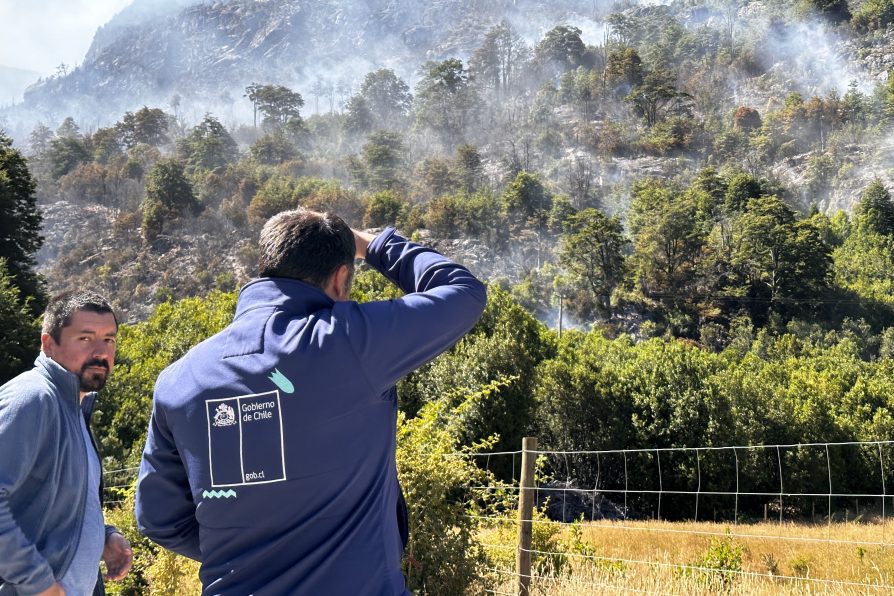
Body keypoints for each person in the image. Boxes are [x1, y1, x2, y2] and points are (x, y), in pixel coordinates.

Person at [135, 209, 487, 594]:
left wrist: (252, 554)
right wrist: (369, 245)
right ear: (339, 280)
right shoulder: (350, 342)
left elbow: (158, 519)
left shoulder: (177, 380)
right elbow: (462, 292)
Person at [0, 290, 133, 595]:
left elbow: (54, 505)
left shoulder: (75, 407)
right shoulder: (33, 398)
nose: (100, 352)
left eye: (109, 340)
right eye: (85, 339)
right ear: (48, 344)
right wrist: (39, 583)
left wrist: (103, 536)